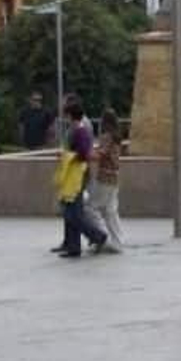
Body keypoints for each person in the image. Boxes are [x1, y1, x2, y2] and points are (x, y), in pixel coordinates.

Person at [52, 99, 108, 258]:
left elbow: (83, 153)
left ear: (71, 115)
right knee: (70, 210)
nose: (65, 118)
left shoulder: (81, 131)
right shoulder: (76, 129)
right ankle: (73, 246)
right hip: (73, 174)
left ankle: (97, 236)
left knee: (73, 213)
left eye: (66, 115)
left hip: (77, 175)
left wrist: (67, 156)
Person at [81, 106, 125, 254]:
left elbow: (99, 155)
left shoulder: (106, 136)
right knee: (111, 211)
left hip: (105, 178)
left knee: (90, 207)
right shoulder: (117, 136)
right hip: (115, 178)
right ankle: (118, 242)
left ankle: (102, 237)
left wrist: (83, 153)